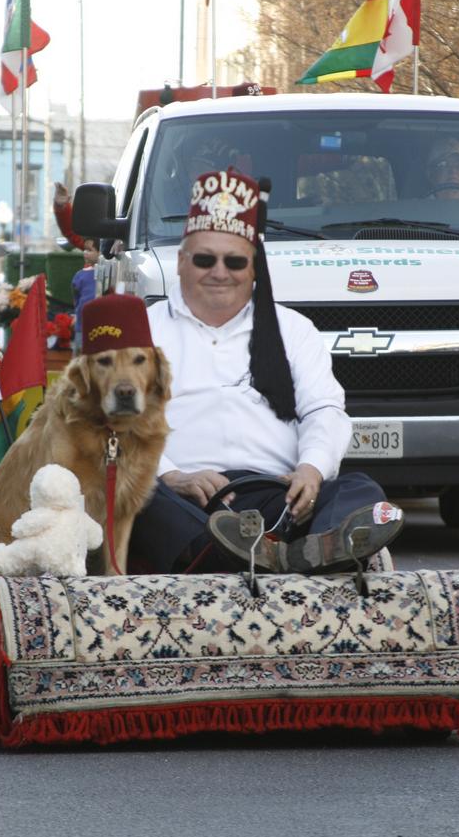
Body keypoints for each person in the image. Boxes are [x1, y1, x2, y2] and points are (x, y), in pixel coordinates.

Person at [130, 168, 404, 585]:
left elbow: (324, 410)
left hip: (279, 496)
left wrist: (311, 470)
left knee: (357, 488)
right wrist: (171, 474)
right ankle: (227, 552)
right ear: (182, 263)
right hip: (185, 497)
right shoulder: (143, 332)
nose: (219, 272)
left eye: (235, 261)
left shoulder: (293, 329)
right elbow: (121, 423)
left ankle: (311, 548)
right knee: (139, 494)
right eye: (205, 259)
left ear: (254, 268)